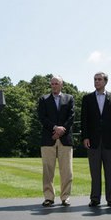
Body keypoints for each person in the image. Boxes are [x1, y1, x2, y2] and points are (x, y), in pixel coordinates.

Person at [81, 72, 111, 208]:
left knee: (110, 171)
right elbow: (84, 120)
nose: (97, 81)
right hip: (92, 140)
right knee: (95, 172)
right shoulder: (87, 98)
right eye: (95, 79)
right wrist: (85, 137)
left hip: (110, 140)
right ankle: (95, 199)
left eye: (99, 79)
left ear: (105, 82)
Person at [38, 76, 75, 207]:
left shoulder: (69, 98)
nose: (54, 86)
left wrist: (61, 130)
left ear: (61, 84)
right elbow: (42, 117)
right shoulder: (43, 99)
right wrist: (54, 128)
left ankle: (65, 197)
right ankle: (49, 197)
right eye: (52, 84)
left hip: (65, 139)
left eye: (56, 83)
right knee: (48, 170)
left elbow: (71, 116)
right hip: (49, 139)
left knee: (67, 171)